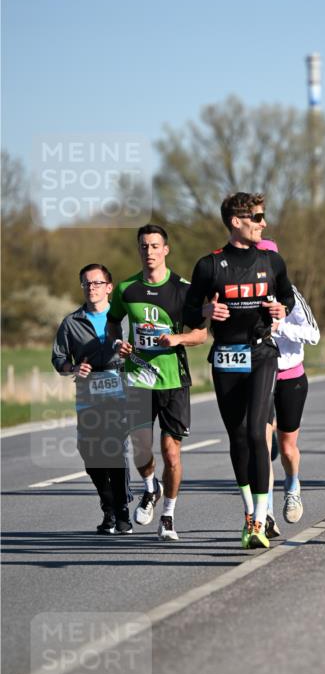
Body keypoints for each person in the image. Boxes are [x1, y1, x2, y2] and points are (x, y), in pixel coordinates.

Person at [183, 192, 295, 549]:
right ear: (236, 221)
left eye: (263, 216)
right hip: (226, 355)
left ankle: (261, 519)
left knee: (257, 432)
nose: (264, 223)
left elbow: (288, 298)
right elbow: (188, 311)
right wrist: (205, 312)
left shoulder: (272, 260)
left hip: (262, 352)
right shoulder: (209, 266)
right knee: (238, 436)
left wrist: (281, 309)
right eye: (257, 217)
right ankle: (249, 512)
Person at [108, 225, 207, 542]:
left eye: (154, 246)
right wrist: (117, 343)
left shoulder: (183, 289)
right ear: (139, 250)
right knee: (139, 448)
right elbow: (112, 323)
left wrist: (177, 338)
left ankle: (168, 516)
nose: (149, 251)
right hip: (138, 378)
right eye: (144, 246)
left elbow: (201, 334)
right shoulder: (126, 289)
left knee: (171, 452)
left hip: (173, 379)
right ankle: (151, 488)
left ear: (166, 250)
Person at [52, 264, 132, 534]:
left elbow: (143, 351)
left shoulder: (125, 319)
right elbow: (59, 358)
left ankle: (121, 509)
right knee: (89, 452)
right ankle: (108, 504)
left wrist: (130, 354)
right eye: (86, 283)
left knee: (113, 450)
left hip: (120, 390)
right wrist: (73, 368)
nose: (91, 288)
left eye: (97, 283)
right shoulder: (72, 322)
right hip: (88, 393)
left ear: (109, 287)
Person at [257, 239, 320, 534]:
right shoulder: (245, 295)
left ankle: (292, 486)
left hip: (290, 377)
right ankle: (266, 513)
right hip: (259, 377)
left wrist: (280, 326)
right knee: (262, 447)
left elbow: (314, 334)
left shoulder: (290, 294)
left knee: (287, 447)